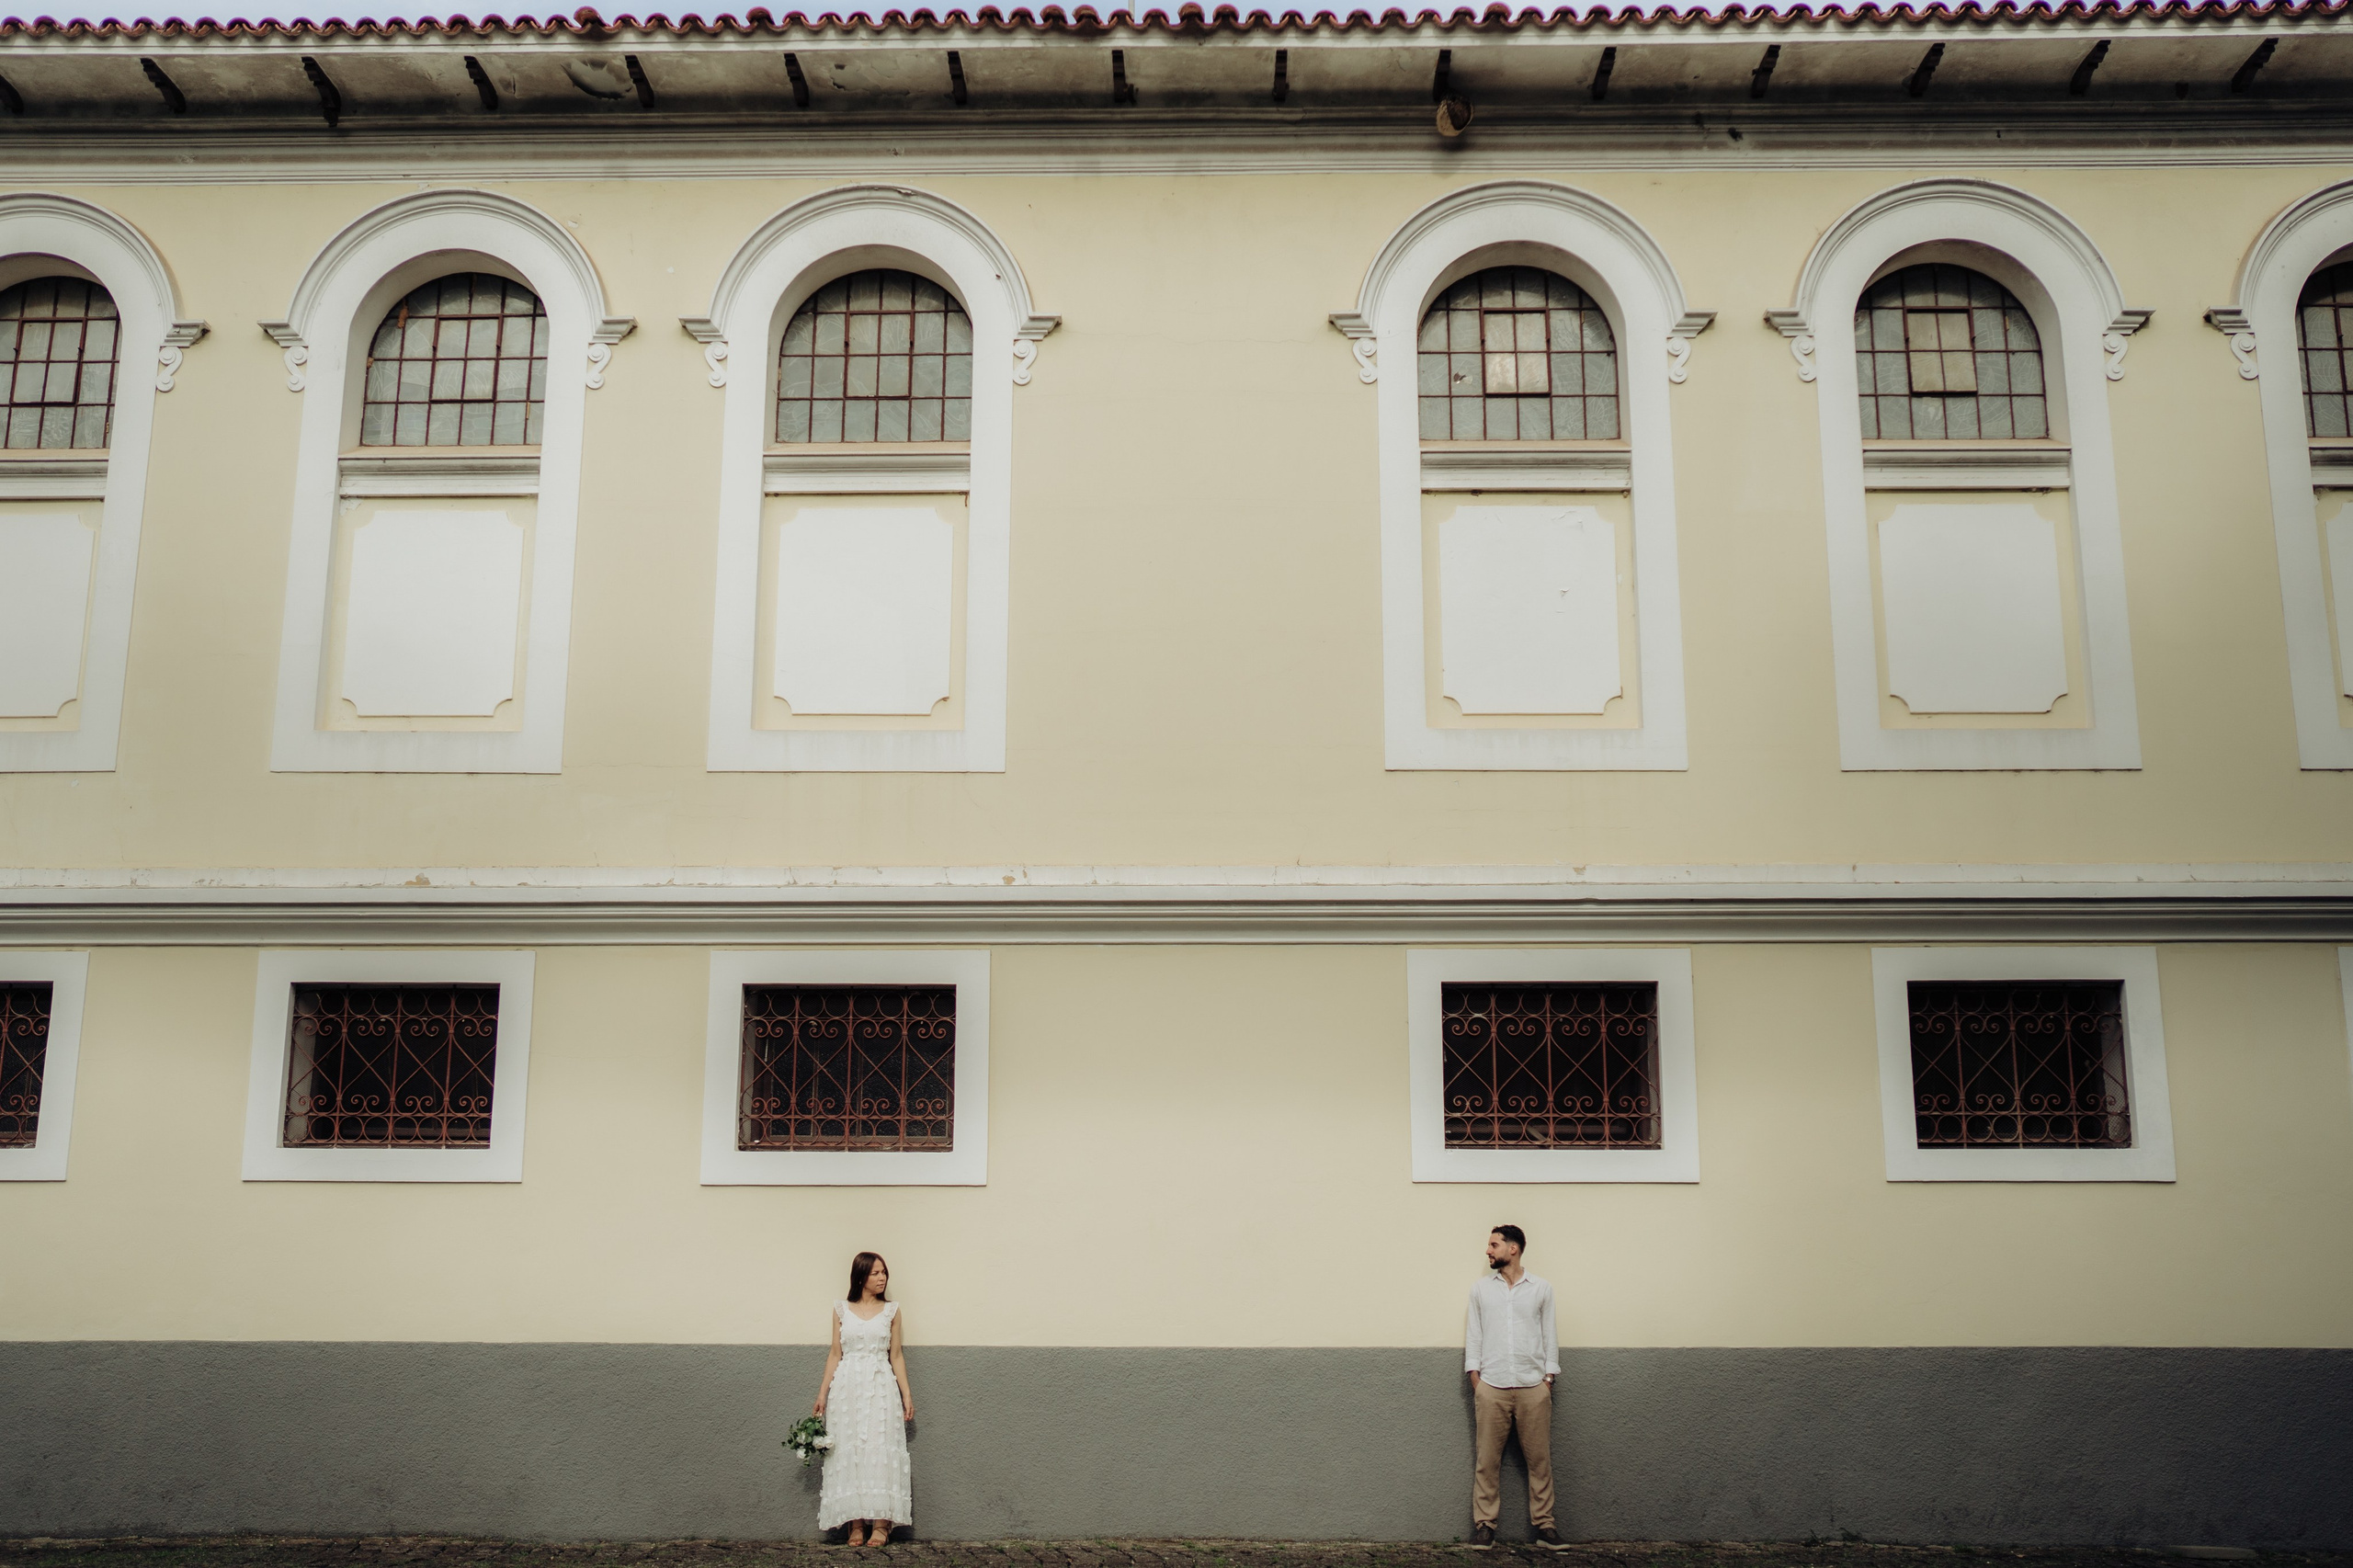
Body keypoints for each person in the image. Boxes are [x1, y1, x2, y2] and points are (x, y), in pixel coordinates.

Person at [1464, 1224, 1566, 1551]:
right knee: (1487, 1461)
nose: (1488, 1250)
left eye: (1493, 1244)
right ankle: (1485, 1526)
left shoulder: (1541, 1289)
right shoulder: (1481, 1290)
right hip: (1491, 1386)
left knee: (1539, 1461)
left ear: (1513, 1248)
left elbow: (1550, 1335)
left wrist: (1548, 1379)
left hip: (1532, 1387)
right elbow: (1474, 1335)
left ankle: (1545, 1527)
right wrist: (1476, 1378)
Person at [813, 1251, 915, 1546]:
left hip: (881, 1385)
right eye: (875, 1273)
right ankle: (855, 1524)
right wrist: (823, 1393)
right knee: (850, 1449)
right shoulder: (841, 1310)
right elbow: (835, 1353)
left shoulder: (892, 1311)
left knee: (880, 1448)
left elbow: (896, 1355)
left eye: (884, 1272)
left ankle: (882, 1524)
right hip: (847, 1387)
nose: (882, 1278)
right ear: (860, 1277)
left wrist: (906, 1394)